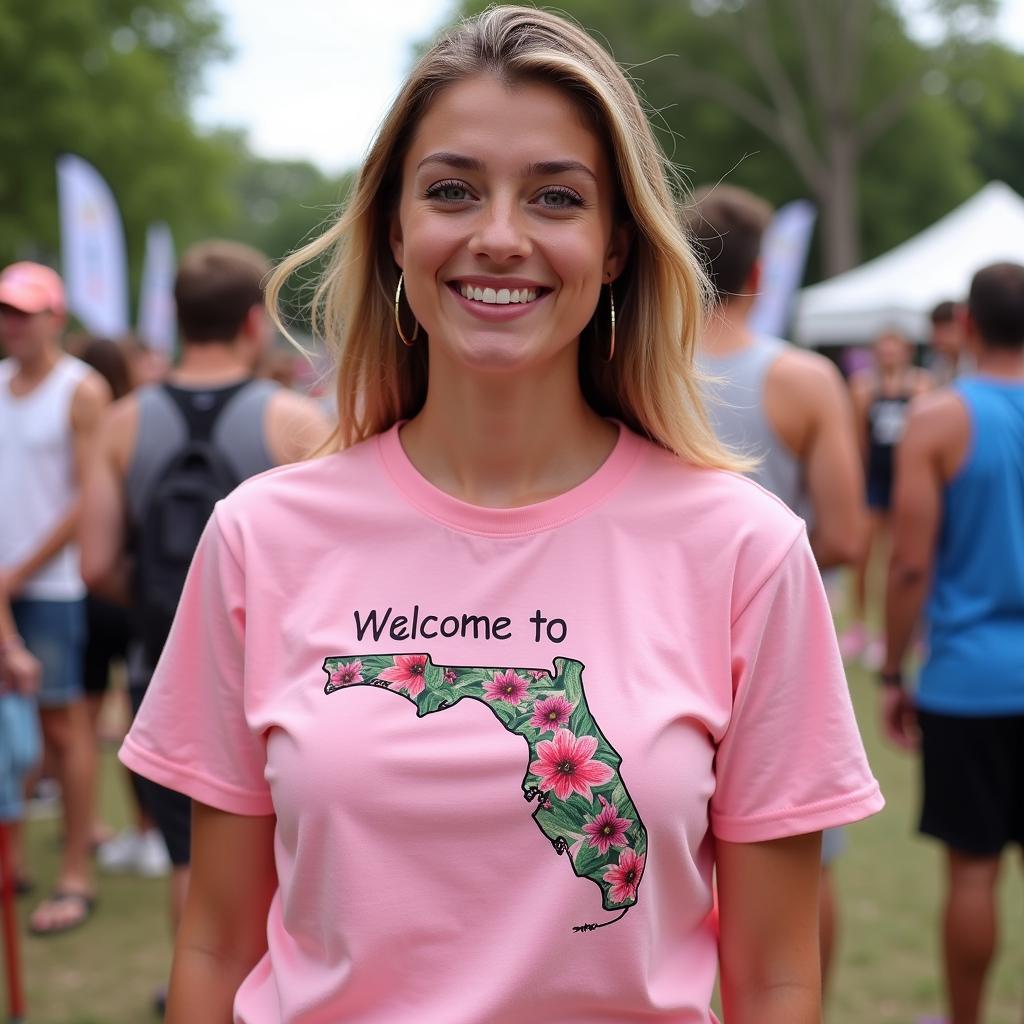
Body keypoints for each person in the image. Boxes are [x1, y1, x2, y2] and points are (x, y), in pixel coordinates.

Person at [120, 9, 883, 1022]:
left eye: (555, 197)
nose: (498, 236)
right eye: (451, 190)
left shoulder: (742, 549)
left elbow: (778, 974)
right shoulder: (263, 536)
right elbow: (214, 943)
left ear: (616, 244)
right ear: (393, 229)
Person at [80, 240, 330, 994]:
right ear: (256, 323)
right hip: (287, 680)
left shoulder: (122, 422)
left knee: (194, 855)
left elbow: (94, 564)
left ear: (178, 318)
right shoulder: (293, 421)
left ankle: (187, 985)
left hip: (161, 670)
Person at [685, 183, 867, 995]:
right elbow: (849, 533)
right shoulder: (802, 379)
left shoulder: (626, 367)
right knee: (801, 867)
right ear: (761, 273)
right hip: (782, 659)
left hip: (657, 644)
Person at [882, 262, 1024, 1024]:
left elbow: (908, 564)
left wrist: (894, 670)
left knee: (973, 873)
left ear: (965, 327)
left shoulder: (939, 420)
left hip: (969, 680)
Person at [0, 261, 111, 935]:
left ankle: (76, 868)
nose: (11, 323)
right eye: (5, 311)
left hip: (52, 588)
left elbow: (87, 498)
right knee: (19, 732)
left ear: (56, 318)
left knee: (62, 725)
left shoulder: (82, 389)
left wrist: (17, 572)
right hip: (7, 585)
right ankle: (16, 856)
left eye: (23, 311)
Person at [842, 329, 930, 666]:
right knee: (863, 555)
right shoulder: (864, 387)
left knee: (901, 557)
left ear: (907, 352)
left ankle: (894, 632)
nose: (890, 355)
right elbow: (858, 438)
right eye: (884, 349)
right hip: (874, 482)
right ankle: (859, 627)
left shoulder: (920, 385)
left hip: (907, 481)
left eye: (896, 349)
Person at [926, 300, 968, 386]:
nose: (938, 338)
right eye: (935, 330)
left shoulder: (979, 365)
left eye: (946, 331)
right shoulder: (939, 363)